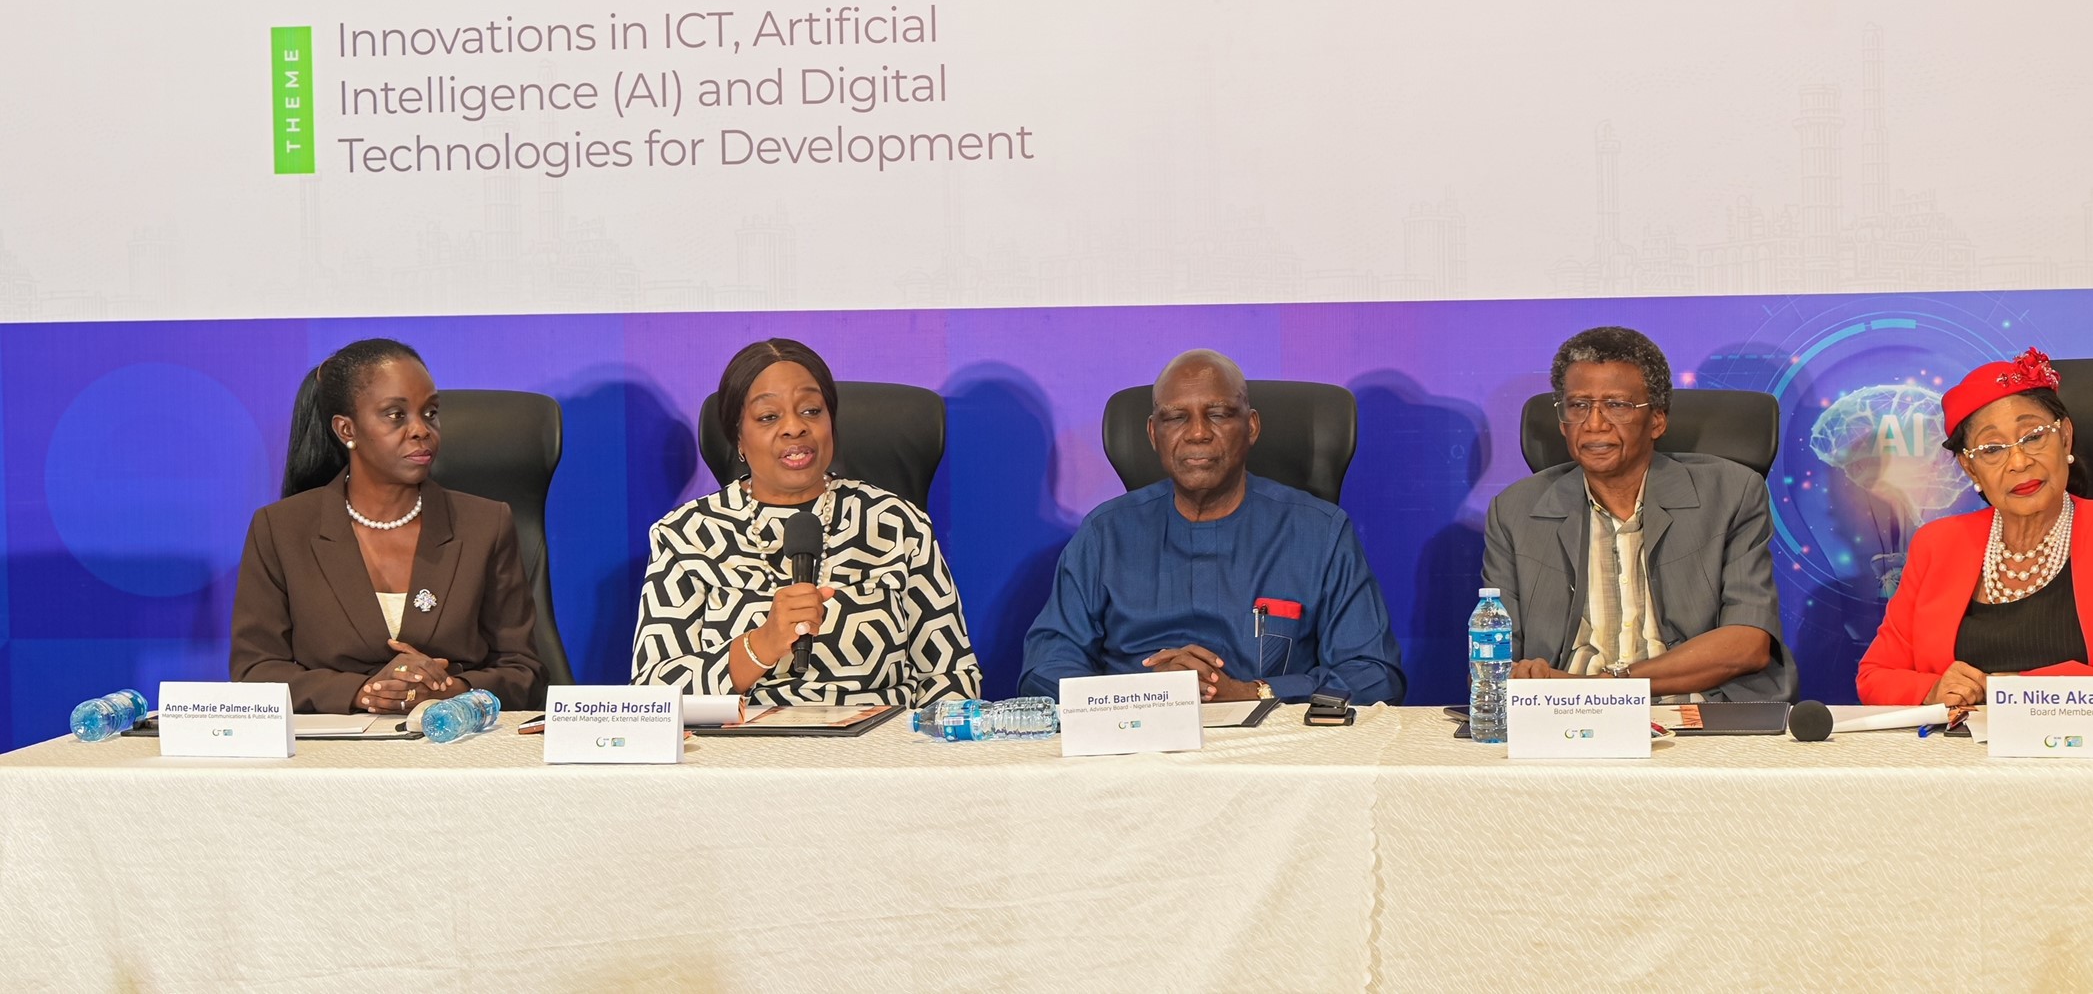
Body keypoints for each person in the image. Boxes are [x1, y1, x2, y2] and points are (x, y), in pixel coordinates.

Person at [1020, 350, 1406, 706]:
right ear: (1154, 434)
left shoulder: (1320, 532)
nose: (1198, 432)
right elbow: (1044, 671)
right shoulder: (1105, 534)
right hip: (1134, 754)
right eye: (1176, 417)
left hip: (1273, 755)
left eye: (1218, 414)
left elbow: (1373, 674)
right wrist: (1146, 693)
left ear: (1251, 427)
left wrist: (1252, 692)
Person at [1857, 348, 2093, 708]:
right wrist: (1934, 689)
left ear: (2064, 436)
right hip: (1963, 763)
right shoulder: (1937, 545)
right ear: (1971, 470)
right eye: (1991, 449)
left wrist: (2036, 691)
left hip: (2091, 759)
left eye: (2033, 436)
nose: (2018, 461)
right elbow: (1875, 676)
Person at [632, 338, 981, 707]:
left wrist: (914, 753)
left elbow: (953, 676)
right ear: (738, 436)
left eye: (812, 411)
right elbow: (653, 697)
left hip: (881, 751)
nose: (794, 428)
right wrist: (761, 644)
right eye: (768, 416)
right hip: (741, 753)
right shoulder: (686, 536)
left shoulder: (898, 524)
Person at [1482, 325, 1794, 701]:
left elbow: (1748, 643)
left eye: (1616, 405)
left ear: (1658, 420)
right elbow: (1488, 664)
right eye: (1579, 405)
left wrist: (1605, 689)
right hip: (1563, 720)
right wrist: (1520, 677)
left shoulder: (1731, 494)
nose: (1594, 423)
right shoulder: (1515, 511)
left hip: (1694, 712)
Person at [232, 339, 545, 713]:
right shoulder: (281, 529)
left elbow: (524, 670)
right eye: (396, 415)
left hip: (453, 749)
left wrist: (452, 691)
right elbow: (255, 670)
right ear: (346, 430)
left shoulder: (485, 524)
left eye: (430, 413)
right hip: (329, 757)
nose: (421, 430)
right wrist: (362, 691)